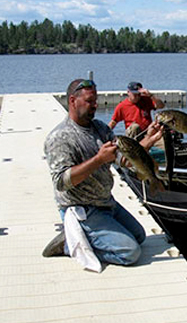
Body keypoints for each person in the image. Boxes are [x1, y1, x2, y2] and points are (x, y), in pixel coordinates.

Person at [43, 78, 163, 268]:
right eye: (90, 101)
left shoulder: (100, 128)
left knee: (139, 236)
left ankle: (87, 235)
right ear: (73, 101)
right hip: (82, 208)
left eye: (96, 100)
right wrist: (99, 159)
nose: (95, 105)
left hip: (106, 202)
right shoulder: (60, 137)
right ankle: (69, 242)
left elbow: (124, 161)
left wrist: (150, 138)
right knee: (130, 253)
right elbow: (61, 182)